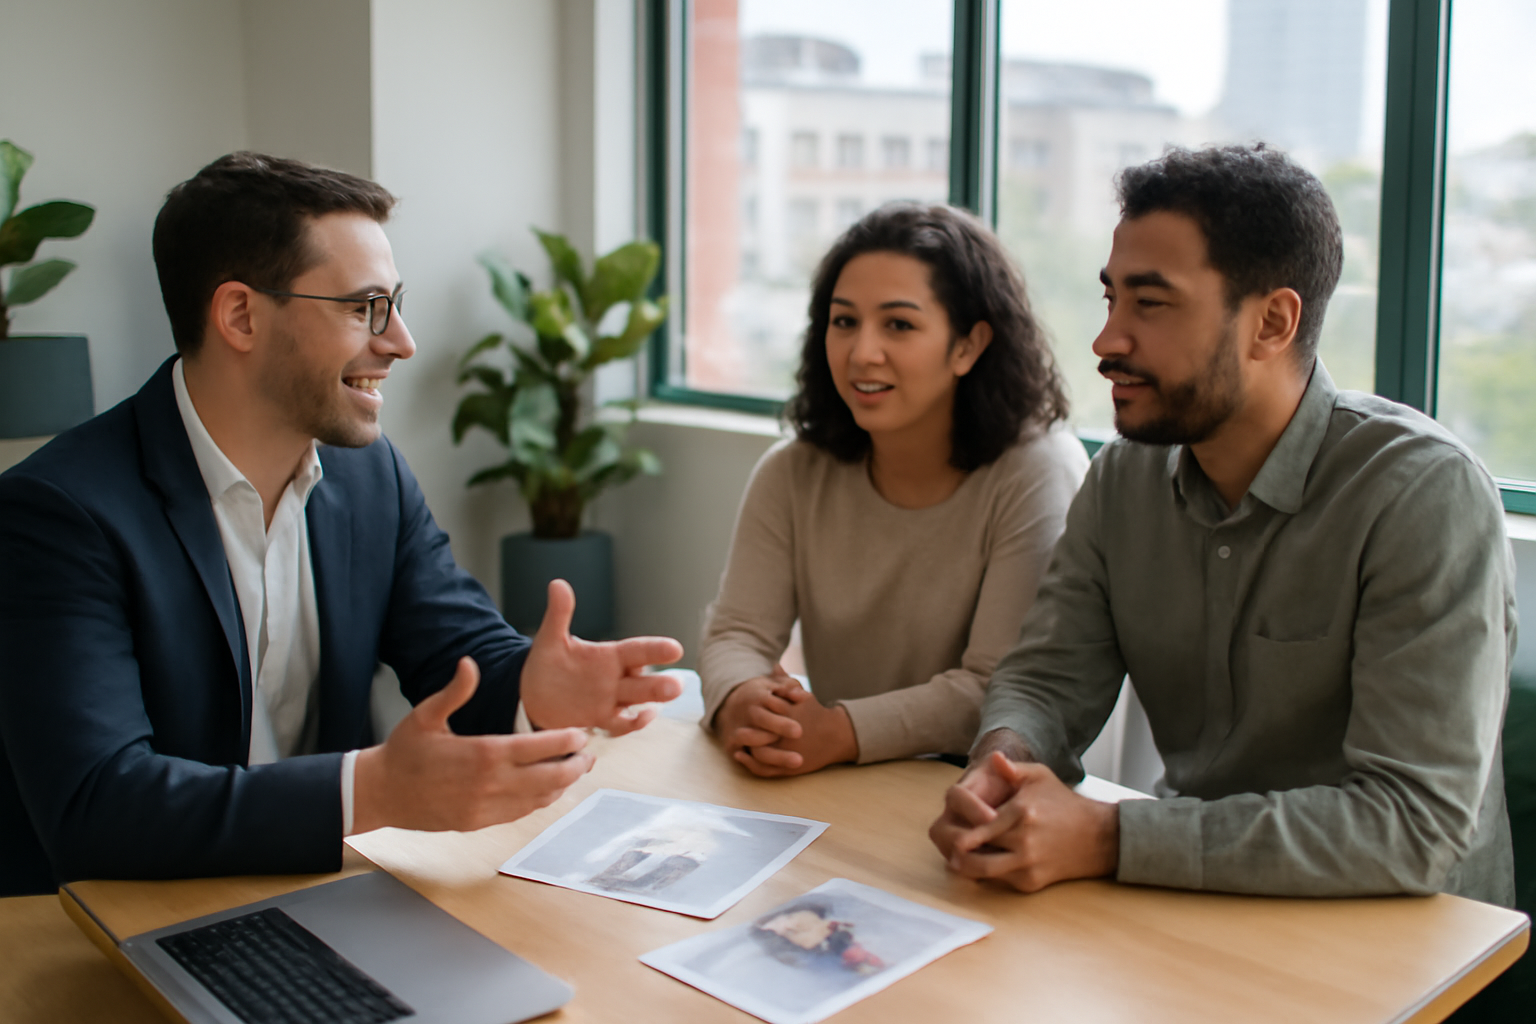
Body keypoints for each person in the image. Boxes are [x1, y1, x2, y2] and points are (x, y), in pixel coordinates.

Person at [0, 153, 683, 897]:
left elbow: (453, 651)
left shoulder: (368, 475)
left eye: (394, 305)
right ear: (240, 316)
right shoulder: (58, 514)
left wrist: (532, 686)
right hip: (117, 917)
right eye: (364, 309)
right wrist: (371, 791)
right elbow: (97, 806)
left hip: (316, 892)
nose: (401, 342)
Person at [929, 144, 1517, 904]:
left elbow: (1412, 827)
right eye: (1111, 299)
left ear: (1272, 323)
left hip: (1406, 934)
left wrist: (1108, 836)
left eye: (1151, 303)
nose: (1107, 340)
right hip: (1193, 898)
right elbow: (1047, 680)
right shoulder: (1124, 477)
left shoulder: (1423, 495)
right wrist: (1000, 767)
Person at [699, 203, 1089, 776]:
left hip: (986, 790)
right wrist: (741, 698)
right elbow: (737, 632)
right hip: (839, 778)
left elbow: (1003, 689)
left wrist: (840, 731)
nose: (862, 353)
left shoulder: (1038, 470)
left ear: (968, 345)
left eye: (899, 325)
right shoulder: (792, 470)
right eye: (844, 322)